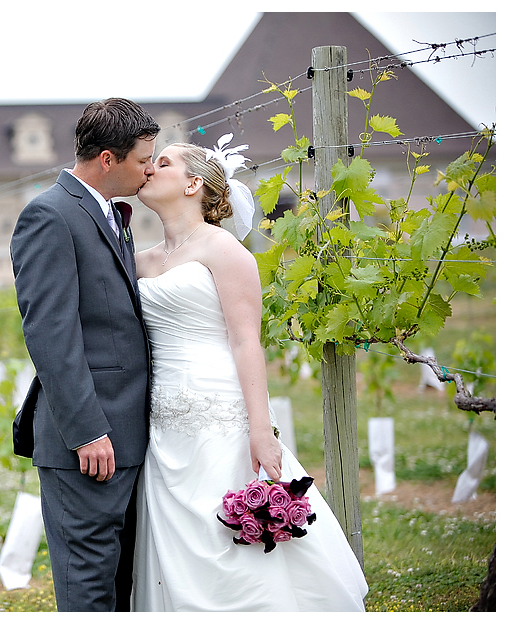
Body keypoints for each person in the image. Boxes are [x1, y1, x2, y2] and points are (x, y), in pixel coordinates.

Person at [130, 136, 369, 611]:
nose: (148, 169)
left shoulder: (225, 251)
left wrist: (261, 430)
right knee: (177, 538)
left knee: (230, 531)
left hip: (221, 412)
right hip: (161, 421)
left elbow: (246, 342)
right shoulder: (141, 260)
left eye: (162, 162)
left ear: (194, 183)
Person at [10, 98, 159, 612]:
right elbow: (51, 333)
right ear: (108, 160)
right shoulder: (48, 216)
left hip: (130, 438)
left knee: (120, 587)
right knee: (88, 590)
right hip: (89, 445)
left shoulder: (112, 215)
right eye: (144, 160)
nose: (149, 171)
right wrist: (88, 431)